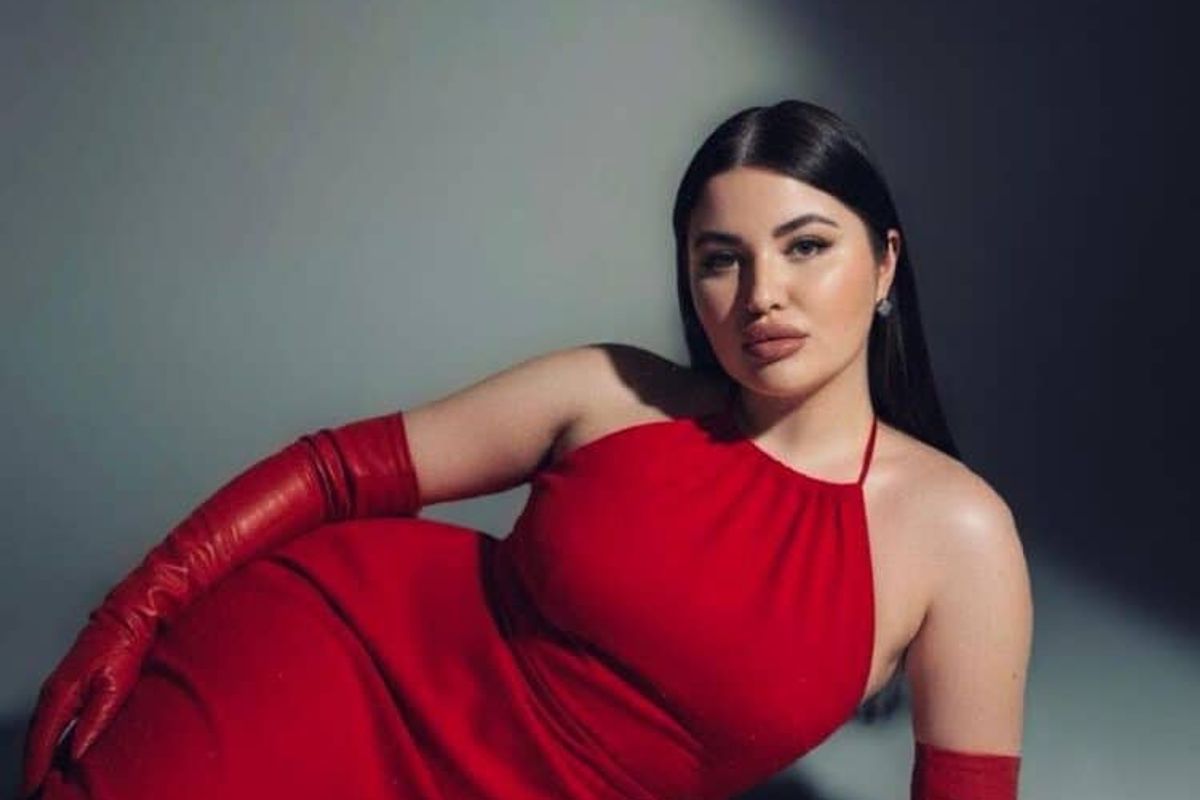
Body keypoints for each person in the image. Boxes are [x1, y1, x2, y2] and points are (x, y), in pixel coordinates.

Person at [21, 99, 1032, 799]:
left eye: (806, 246)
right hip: (327, 668)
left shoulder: (957, 534)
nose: (763, 294)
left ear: (885, 262)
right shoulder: (612, 389)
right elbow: (338, 471)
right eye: (720, 260)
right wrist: (137, 609)